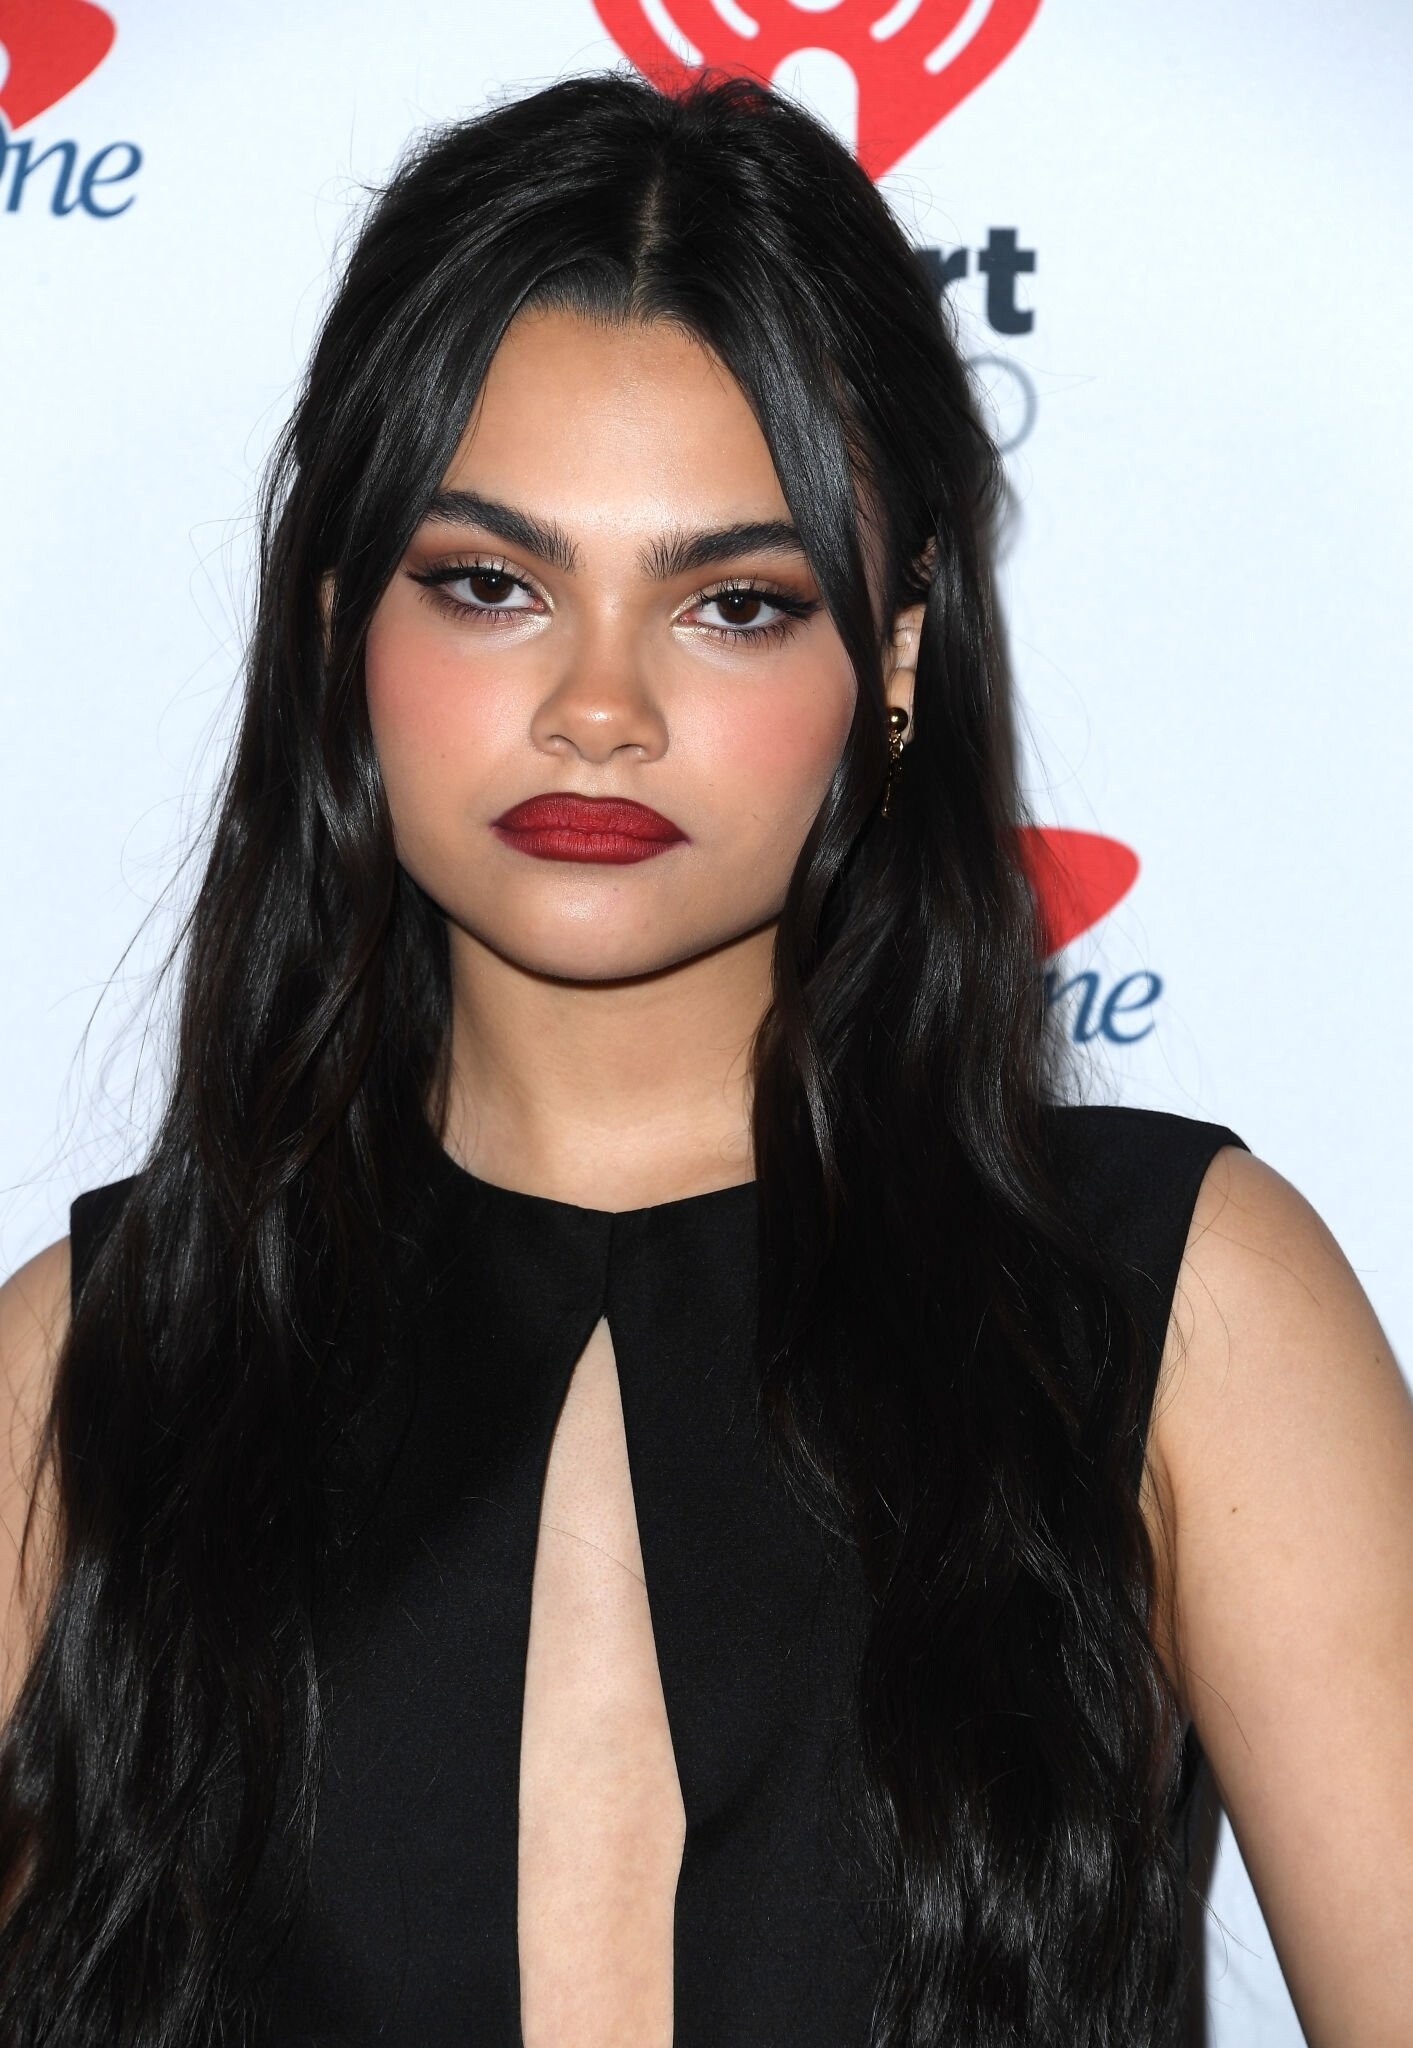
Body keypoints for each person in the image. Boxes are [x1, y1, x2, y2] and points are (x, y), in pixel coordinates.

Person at [0, 64, 1408, 2048]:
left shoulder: (1177, 1307)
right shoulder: (91, 1361)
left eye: (732, 603)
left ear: (891, 657)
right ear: (335, 630)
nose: (600, 707)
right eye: (489, 584)